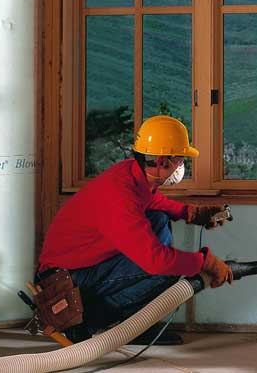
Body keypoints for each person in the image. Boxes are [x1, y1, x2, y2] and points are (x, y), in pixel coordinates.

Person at [37, 115, 233, 344]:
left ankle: (138, 324)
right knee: (165, 268)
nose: (181, 165)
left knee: (158, 219)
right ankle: (88, 320)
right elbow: (157, 261)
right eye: (179, 159)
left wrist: (192, 213)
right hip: (64, 282)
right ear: (161, 162)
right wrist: (206, 263)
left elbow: (152, 202)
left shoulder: (132, 174)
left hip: (83, 266)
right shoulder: (119, 196)